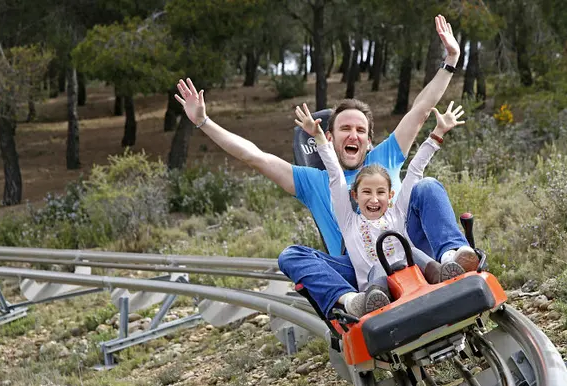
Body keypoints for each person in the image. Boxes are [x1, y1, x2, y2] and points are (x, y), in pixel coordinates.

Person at [174, 14, 477, 317]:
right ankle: (350, 302)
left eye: (360, 130)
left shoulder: (384, 156)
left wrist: (451, 58)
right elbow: (254, 156)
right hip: (358, 267)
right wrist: (203, 122)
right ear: (329, 138)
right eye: (345, 128)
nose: (353, 134)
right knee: (291, 255)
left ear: (370, 141)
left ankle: (453, 257)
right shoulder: (313, 181)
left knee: (426, 186)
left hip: (407, 245)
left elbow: (421, 111)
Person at [295, 101, 471, 316]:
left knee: (426, 190)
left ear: (390, 196)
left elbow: (416, 169)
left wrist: (438, 133)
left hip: (413, 273)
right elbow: (335, 175)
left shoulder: (397, 213)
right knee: (374, 268)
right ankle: (363, 299)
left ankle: (447, 264)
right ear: (354, 196)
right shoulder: (349, 222)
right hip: (376, 287)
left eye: (380, 193)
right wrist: (320, 138)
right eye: (366, 193)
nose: (374, 199)